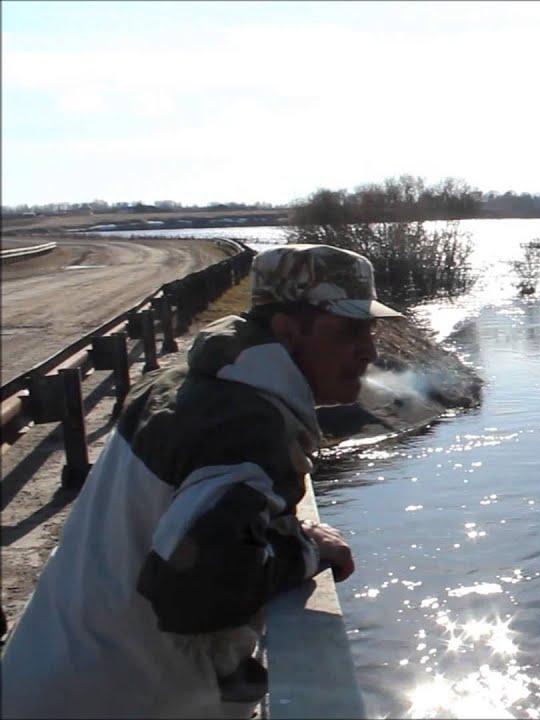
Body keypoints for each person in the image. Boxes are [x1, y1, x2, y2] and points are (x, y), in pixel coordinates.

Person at [0, 244, 403, 719]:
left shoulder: (189, 385)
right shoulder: (242, 427)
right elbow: (192, 593)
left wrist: (273, 534)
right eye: (351, 331)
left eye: (371, 330)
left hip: (47, 675)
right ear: (288, 331)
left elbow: (185, 522)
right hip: (112, 701)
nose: (370, 351)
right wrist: (305, 553)